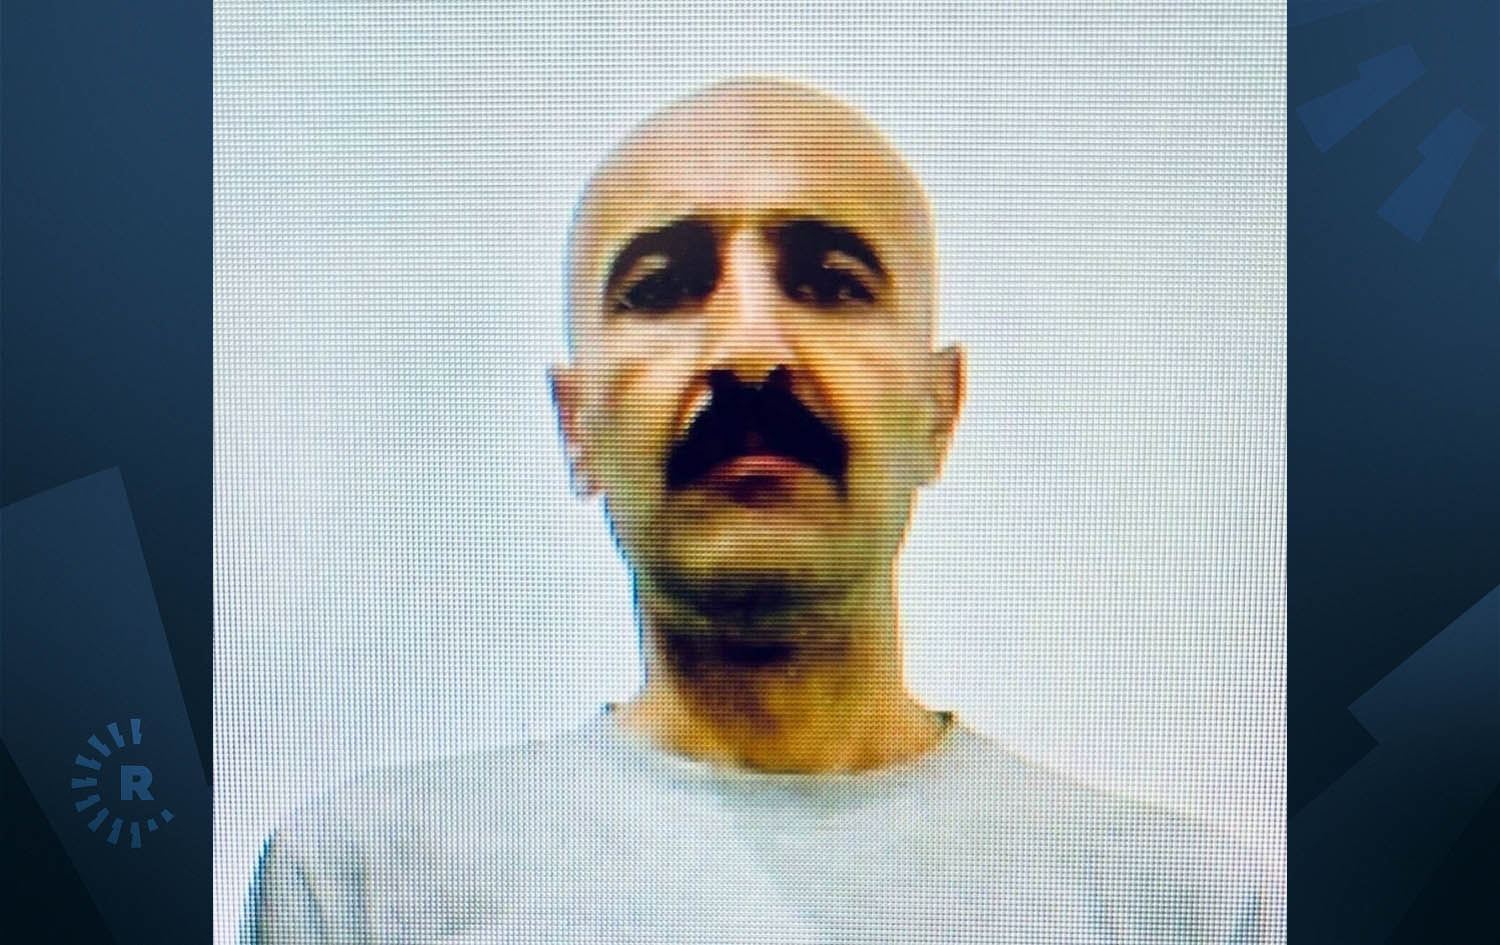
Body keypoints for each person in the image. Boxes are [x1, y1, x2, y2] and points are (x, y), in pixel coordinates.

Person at [243, 77, 1269, 944]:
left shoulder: (1186, 910)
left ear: (938, 409)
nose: (749, 349)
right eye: (663, 286)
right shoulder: (368, 890)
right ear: (577, 426)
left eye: (831, 282)